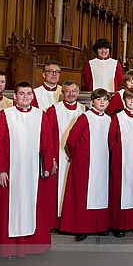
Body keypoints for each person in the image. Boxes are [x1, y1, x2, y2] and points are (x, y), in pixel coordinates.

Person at [0, 82, 52, 258]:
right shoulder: (5, 115)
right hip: (11, 170)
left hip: (33, 170)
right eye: (22, 93)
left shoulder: (41, 115)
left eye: (28, 94)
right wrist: (0, 170)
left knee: (34, 205)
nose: (25, 97)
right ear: (15, 96)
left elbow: (47, 142)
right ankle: (9, 249)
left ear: (33, 96)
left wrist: (47, 165)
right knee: (12, 207)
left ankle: (34, 246)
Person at [59, 89, 112, 241]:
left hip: (103, 162)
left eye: (105, 100)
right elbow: (71, 140)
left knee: (101, 194)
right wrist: (78, 158)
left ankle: (100, 226)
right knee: (83, 195)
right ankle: (81, 228)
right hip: (84, 163)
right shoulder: (85, 118)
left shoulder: (109, 119)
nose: (102, 102)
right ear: (92, 101)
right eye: (99, 99)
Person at [40, 80, 85, 232]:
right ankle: (54, 222)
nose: (71, 94)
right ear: (62, 93)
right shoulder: (53, 110)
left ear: (78, 93)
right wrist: (51, 159)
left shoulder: (84, 109)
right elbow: (47, 136)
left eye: (73, 91)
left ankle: (71, 221)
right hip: (58, 155)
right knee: (56, 189)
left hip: (77, 157)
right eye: (67, 91)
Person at [108, 88, 133, 237]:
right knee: (120, 190)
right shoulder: (118, 117)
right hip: (121, 158)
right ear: (124, 100)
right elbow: (112, 139)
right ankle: (118, 225)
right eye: (129, 99)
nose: (132, 101)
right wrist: (117, 154)